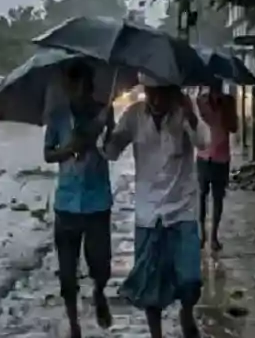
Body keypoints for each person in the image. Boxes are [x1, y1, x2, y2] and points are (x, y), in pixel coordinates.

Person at [102, 73, 212, 338]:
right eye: (150, 92)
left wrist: (192, 116)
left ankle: (187, 311)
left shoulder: (183, 112)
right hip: (148, 213)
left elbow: (203, 142)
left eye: (161, 92)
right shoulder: (134, 115)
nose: (155, 99)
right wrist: (107, 128)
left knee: (190, 279)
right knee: (150, 285)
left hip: (182, 209)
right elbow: (111, 152)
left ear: (172, 92)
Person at [43, 61, 115, 337]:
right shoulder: (58, 117)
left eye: (85, 84)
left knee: (101, 264)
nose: (80, 89)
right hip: (67, 204)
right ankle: (74, 323)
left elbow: (112, 150)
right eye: (75, 84)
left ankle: (99, 291)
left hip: (97, 202)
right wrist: (68, 149)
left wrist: (104, 131)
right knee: (67, 272)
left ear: (91, 85)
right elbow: (48, 154)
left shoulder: (104, 112)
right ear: (68, 87)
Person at [197, 87, 238, 251]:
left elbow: (234, 127)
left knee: (218, 197)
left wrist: (225, 109)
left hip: (221, 157)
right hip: (203, 156)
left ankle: (214, 235)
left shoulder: (228, 102)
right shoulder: (200, 101)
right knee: (201, 195)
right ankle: (202, 233)